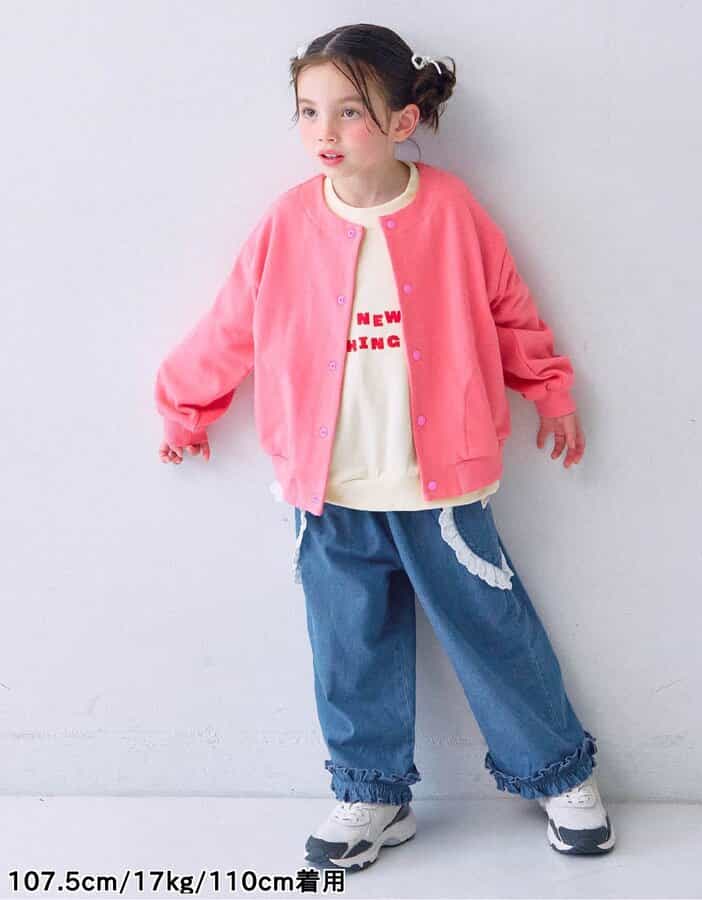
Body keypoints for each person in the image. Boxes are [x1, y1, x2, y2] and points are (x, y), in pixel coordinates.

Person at [154, 22, 616, 874]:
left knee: (492, 631)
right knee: (349, 645)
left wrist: (549, 388)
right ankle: (371, 793)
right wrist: (186, 404)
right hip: (328, 486)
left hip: (441, 487)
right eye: (308, 111)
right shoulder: (288, 222)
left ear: (404, 121)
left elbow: (509, 310)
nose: (323, 132)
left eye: (349, 112)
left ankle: (560, 773)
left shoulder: (451, 211)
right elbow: (232, 323)